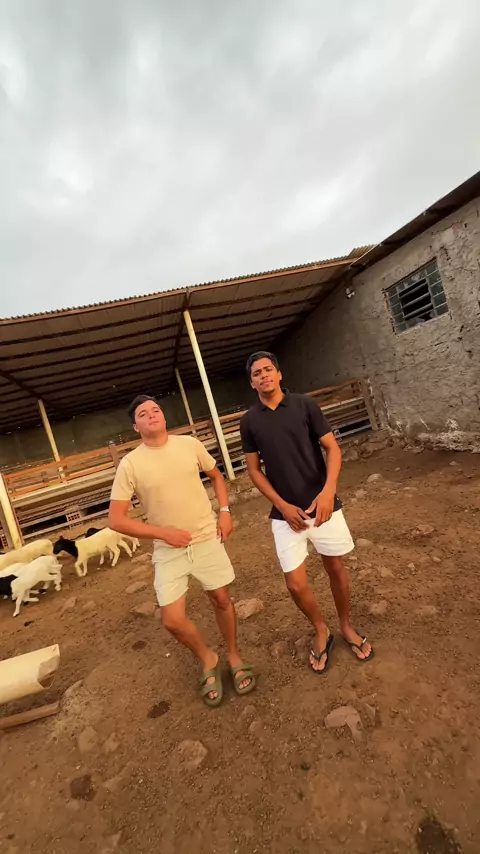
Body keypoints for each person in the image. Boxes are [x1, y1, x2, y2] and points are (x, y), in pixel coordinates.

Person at [108, 394, 256, 707]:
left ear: (163, 417)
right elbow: (116, 519)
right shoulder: (130, 464)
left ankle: (233, 654)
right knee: (172, 619)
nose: (152, 415)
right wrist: (163, 534)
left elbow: (216, 475)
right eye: (143, 414)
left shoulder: (189, 445)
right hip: (168, 550)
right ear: (135, 427)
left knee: (221, 599)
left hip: (206, 537)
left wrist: (225, 511)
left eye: (156, 410)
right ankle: (208, 657)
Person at [240, 352, 373, 673]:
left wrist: (328, 493)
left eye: (268, 369)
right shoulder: (250, 421)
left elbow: (332, 448)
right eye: (257, 373)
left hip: (322, 505)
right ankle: (320, 628)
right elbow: (254, 470)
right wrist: (282, 505)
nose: (263, 375)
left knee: (335, 568)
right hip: (286, 515)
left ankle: (345, 626)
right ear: (252, 382)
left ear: (279, 374)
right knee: (295, 584)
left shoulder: (304, 405)